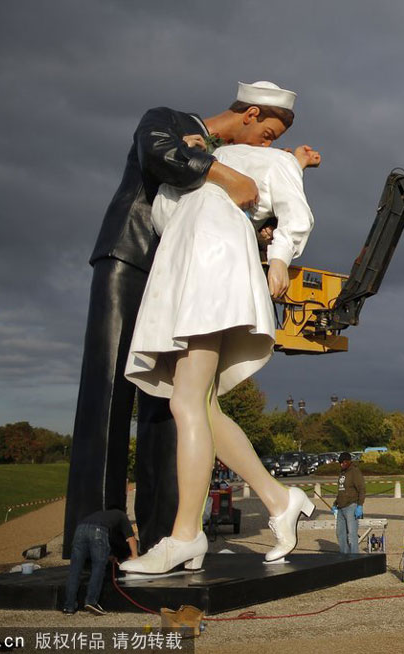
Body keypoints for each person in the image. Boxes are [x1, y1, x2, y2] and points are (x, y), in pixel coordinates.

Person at [63, 81, 297, 558]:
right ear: (249, 114)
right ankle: (96, 533)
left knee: (170, 405)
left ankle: (162, 533)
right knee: (109, 391)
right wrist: (225, 175)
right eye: (268, 134)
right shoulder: (170, 120)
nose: (267, 145)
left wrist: (264, 229)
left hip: (182, 271)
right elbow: (160, 157)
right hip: (132, 258)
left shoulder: (236, 162)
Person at [119, 129, 320, 573]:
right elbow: (167, 217)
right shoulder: (195, 168)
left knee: (186, 400)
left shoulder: (264, 161)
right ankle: (279, 497)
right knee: (202, 405)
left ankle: (186, 534)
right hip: (185, 267)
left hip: (211, 267)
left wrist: (282, 256)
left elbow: (295, 214)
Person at [62, 508, 137, 615]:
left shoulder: (102, 515)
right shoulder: (122, 516)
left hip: (80, 530)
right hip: (98, 530)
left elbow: (97, 544)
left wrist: (109, 555)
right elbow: (131, 537)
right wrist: (135, 555)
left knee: (75, 570)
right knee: (98, 567)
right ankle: (91, 602)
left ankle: (69, 606)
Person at [332, 452, 366, 554]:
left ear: (348, 461)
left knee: (352, 534)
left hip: (351, 506)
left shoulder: (354, 472)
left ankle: (354, 557)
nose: (341, 464)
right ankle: (344, 555)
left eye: (343, 462)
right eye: (340, 462)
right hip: (340, 507)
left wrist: (360, 505)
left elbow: (362, 489)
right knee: (340, 533)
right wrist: (335, 504)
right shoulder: (342, 473)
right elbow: (341, 490)